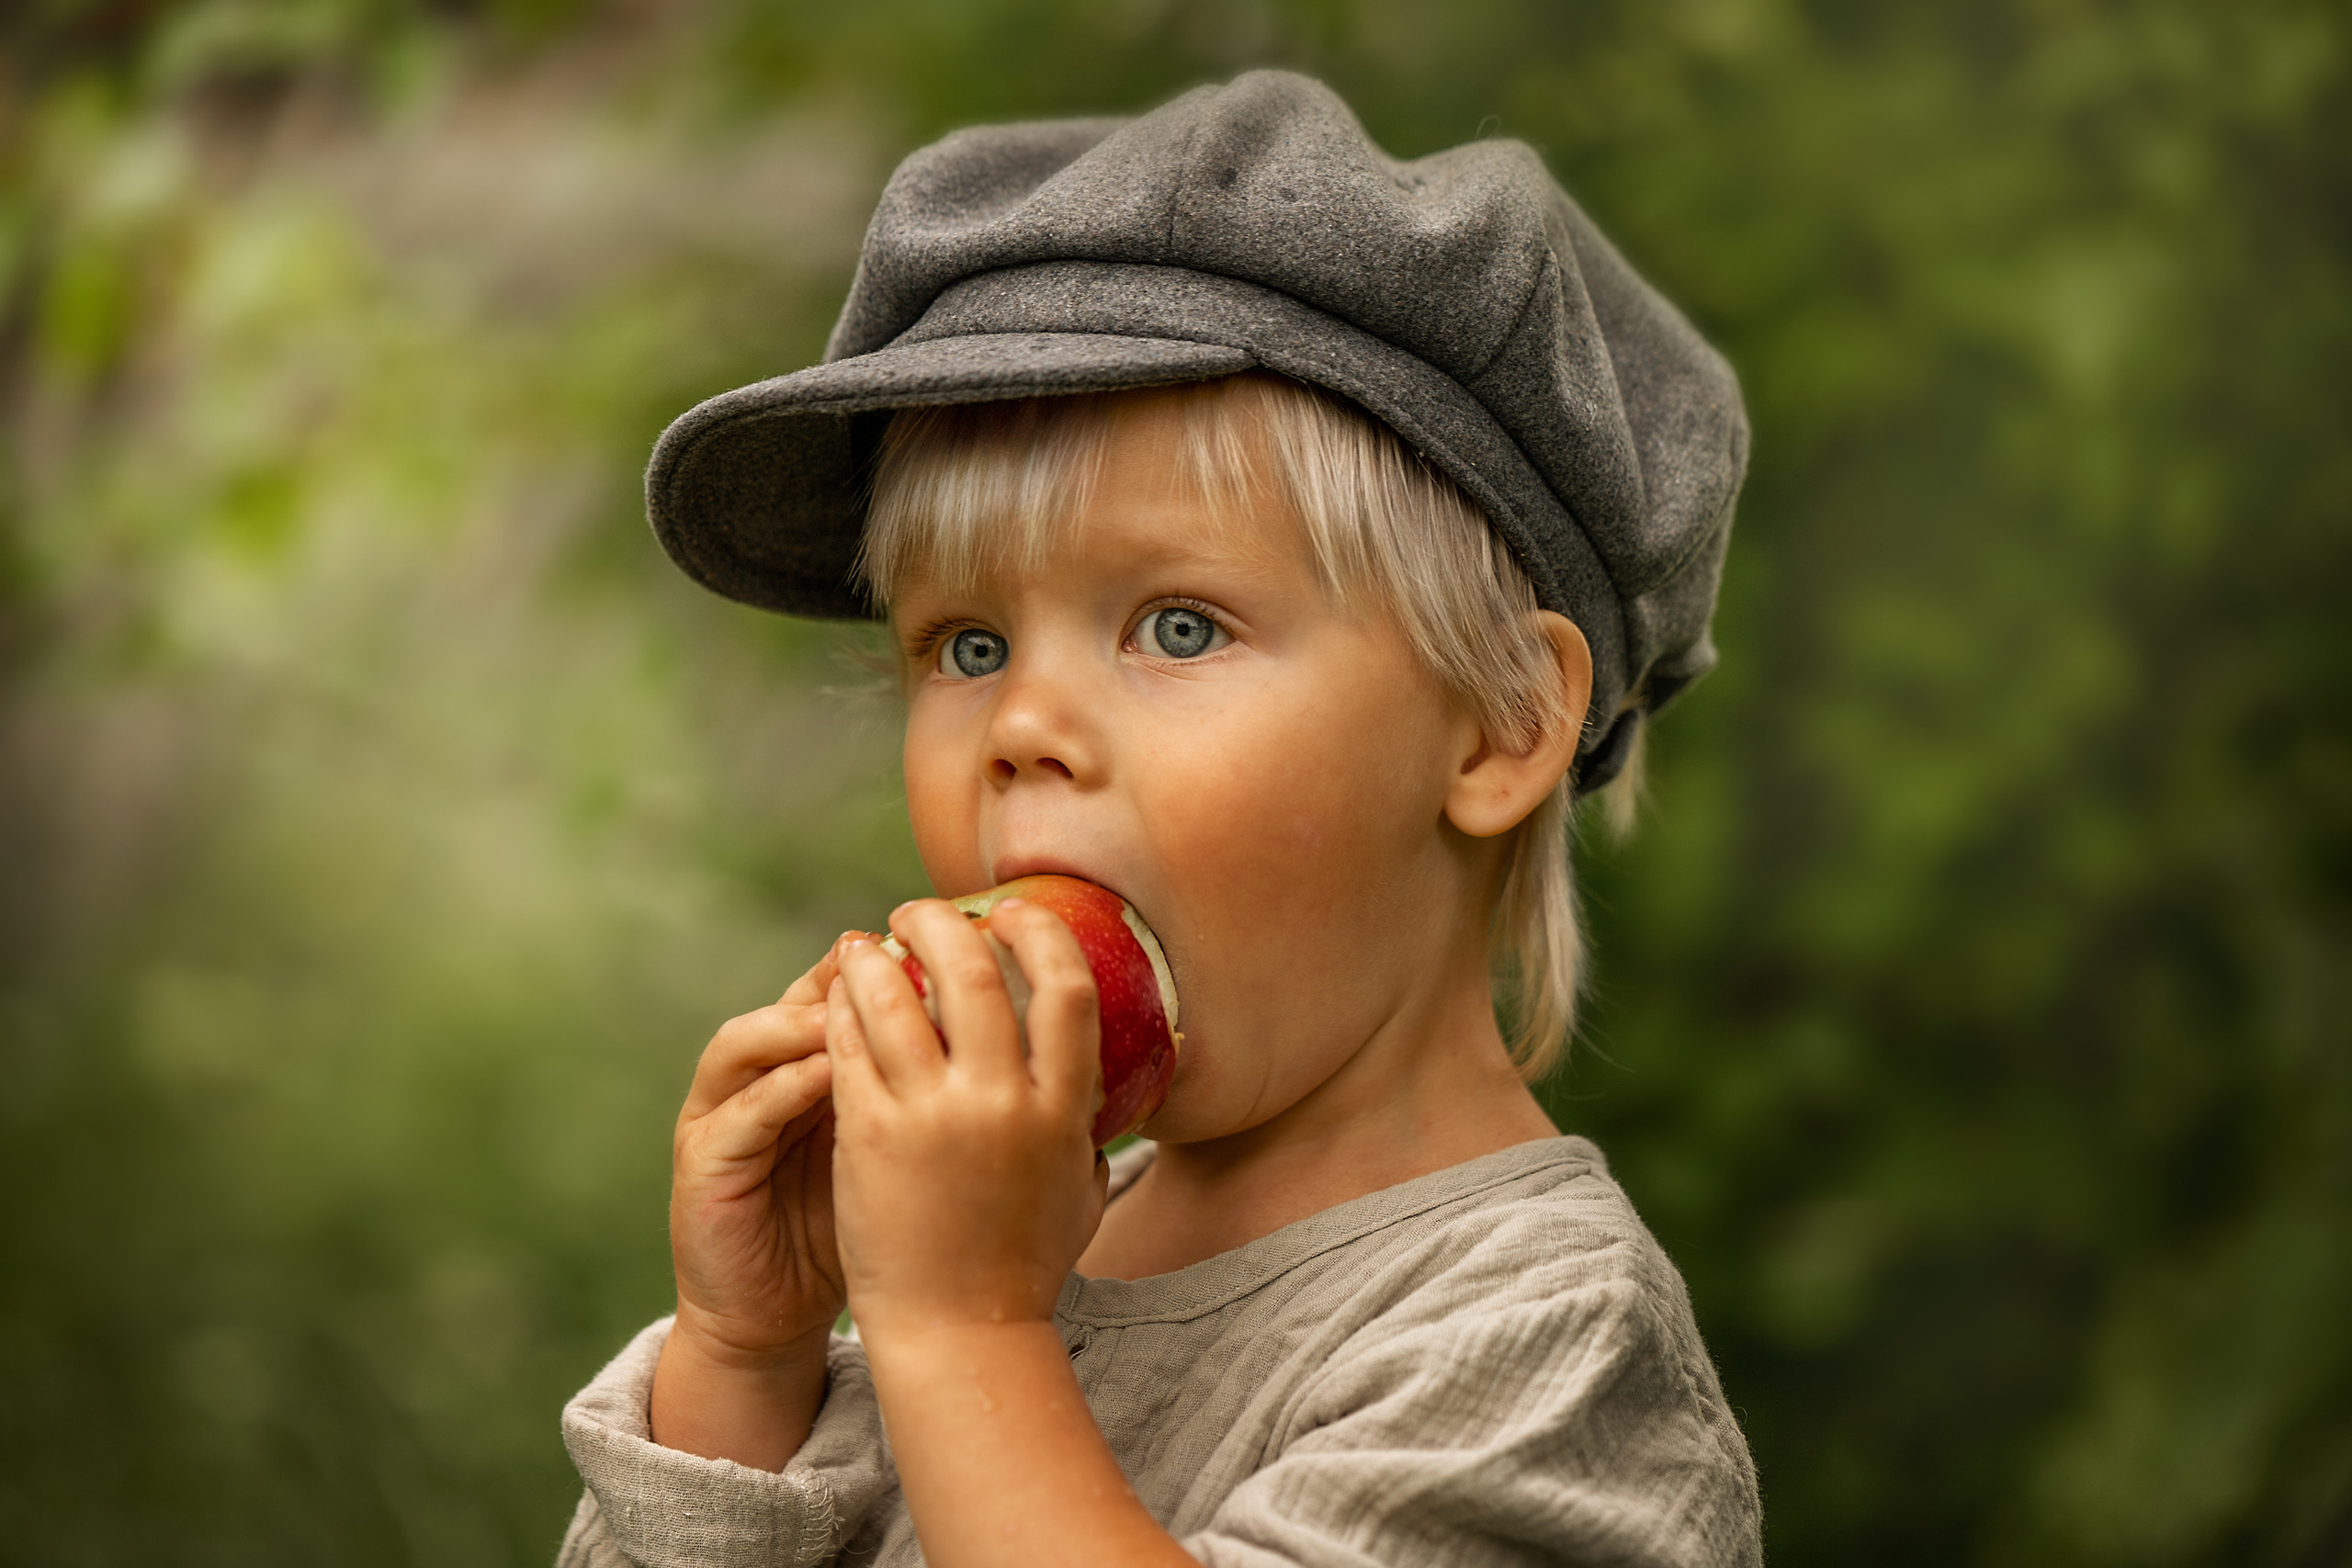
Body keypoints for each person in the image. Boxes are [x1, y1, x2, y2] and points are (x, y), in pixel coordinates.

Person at [557, 70, 1758, 1568]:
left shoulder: (1540, 1344)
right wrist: (749, 1362)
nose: (1023, 731)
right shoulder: (1015, 1228)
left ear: (1503, 723)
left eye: (1178, 628)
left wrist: (961, 1331)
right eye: (968, 646)